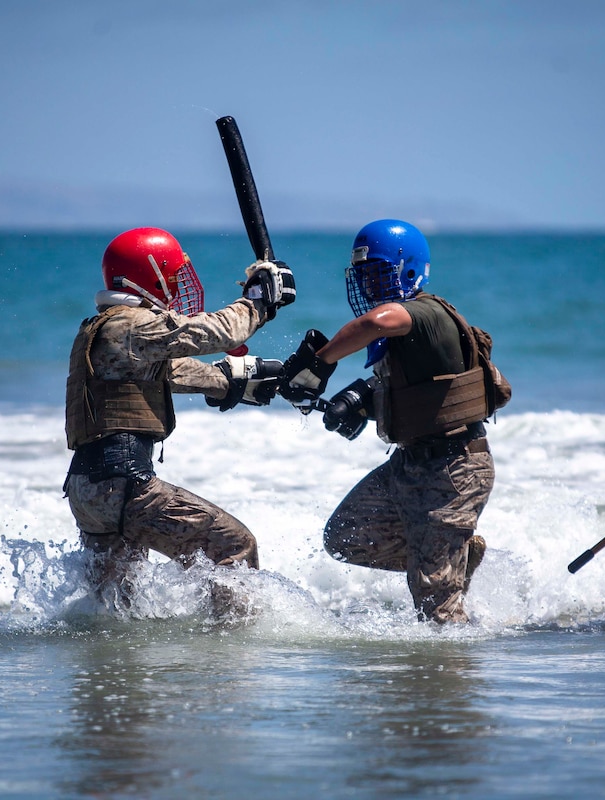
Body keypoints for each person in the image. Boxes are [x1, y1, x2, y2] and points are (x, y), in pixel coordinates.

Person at [278, 219, 501, 624]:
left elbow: (374, 322)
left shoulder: (426, 311)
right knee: (345, 537)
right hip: (410, 464)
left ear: (411, 270)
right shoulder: (399, 338)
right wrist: (359, 402)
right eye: (363, 276)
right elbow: (415, 390)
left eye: (380, 273)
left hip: (454, 468)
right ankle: (452, 560)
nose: (370, 285)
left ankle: (450, 674)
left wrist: (320, 362)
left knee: (437, 616)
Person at [63, 227, 293, 611]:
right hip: (124, 485)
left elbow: (172, 373)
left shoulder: (104, 330)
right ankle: (229, 658)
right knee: (232, 547)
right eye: (171, 281)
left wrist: (229, 380)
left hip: (89, 490)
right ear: (149, 276)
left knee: (117, 609)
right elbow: (209, 331)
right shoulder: (130, 324)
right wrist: (257, 302)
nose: (174, 293)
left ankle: (108, 672)